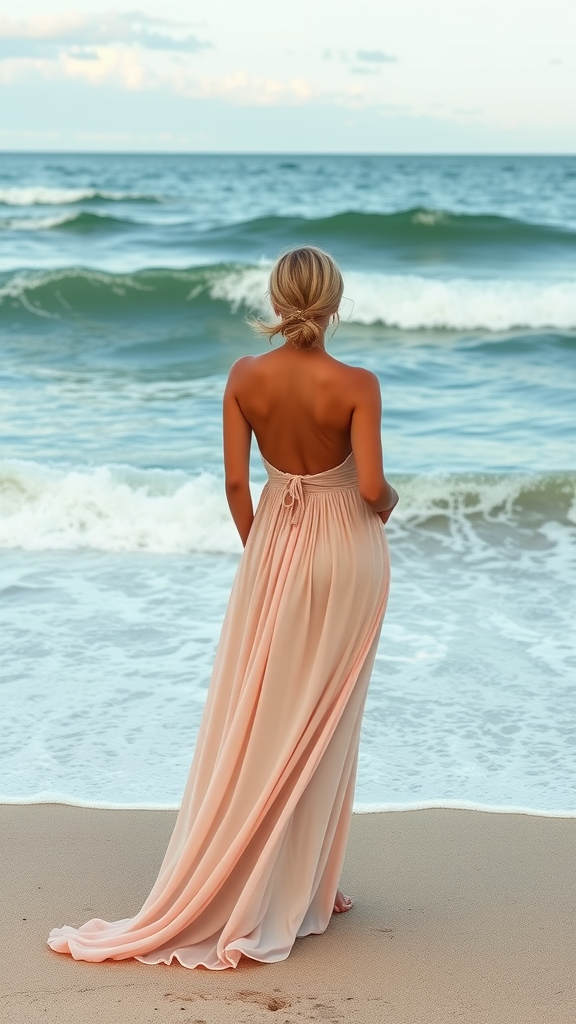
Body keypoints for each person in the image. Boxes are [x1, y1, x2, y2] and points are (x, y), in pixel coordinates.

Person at [47, 245, 399, 970]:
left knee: (265, 711)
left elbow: (238, 489)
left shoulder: (244, 377)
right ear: (335, 302)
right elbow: (370, 490)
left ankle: (276, 876)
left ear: (276, 300)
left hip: (274, 544)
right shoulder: (358, 383)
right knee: (324, 718)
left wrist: (263, 554)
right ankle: (296, 884)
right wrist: (393, 504)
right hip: (348, 557)